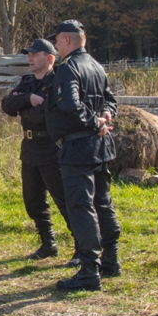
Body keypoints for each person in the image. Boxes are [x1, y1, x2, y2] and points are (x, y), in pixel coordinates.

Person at [45, 20, 121, 291]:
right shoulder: (97, 65)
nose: (54, 45)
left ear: (66, 39)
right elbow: (110, 99)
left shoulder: (68, 67)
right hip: (100, 146)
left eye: (56, 40)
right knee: (103, 202)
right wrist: (105, 115)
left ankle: (90, 270)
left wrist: (95, 121)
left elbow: (70, 105)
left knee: (81, 207)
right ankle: (111, 260)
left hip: (78, 147)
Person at [1, 39, 78, 264]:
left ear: (50, 58)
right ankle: (48, 242)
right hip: (30, 147)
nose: (30, 58)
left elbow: (46, 114)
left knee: (63, 199)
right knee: (32, 200)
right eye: (29, 54)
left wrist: (23, 109)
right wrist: (28, 99)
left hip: (52, 147)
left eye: (35, 54)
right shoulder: (26, 82)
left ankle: (80, 246)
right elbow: (6, 105)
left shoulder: (57, 81)